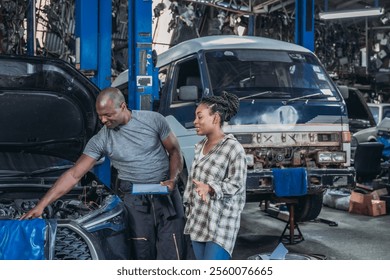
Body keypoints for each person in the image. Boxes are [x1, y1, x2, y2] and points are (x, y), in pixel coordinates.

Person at [21, 87, 187, 260]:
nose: (103, 120)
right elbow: (74, 175)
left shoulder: (154, 120)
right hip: (134, 198)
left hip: (165, 193)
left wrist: (173, 179)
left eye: (108, 114)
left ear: (122, 106)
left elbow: (175, 151)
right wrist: (41, 205)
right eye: (100, 115)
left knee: (173, 249)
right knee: (140, 252)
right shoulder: (102, 139)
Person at [183, 91, 247, 260]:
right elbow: (192, 183)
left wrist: (210, 188)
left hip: (222, 223)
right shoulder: (199, 146)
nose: (195, 122)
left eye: (200, 117)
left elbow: (236, 184)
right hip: (198, 220)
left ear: (216, 118)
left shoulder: (233, 148)